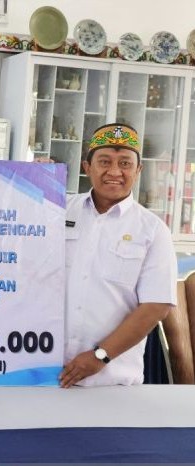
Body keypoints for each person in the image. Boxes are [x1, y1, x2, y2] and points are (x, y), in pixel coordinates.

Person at [58, 123, 176, 388]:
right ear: (87, 167)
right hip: (45, 373)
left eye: (125, 163)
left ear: (138, 170)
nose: (114, 172)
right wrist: (34, 177)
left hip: (112, 381)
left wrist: (100, 356)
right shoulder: (58, 211)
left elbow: (156, 306)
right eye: (104, 162)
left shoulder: (153, 230)